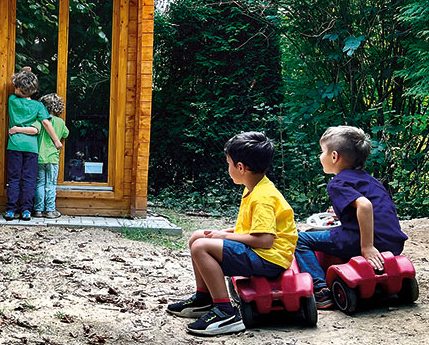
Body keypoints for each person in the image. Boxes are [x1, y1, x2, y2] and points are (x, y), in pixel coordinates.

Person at [166, 132, 297, 336]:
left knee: (202, 246)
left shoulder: (263, 197)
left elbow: (265, 239)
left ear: (241, 167)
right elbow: (255, 229)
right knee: (197, 237)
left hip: (270, 258)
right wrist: (223, 233)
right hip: (261, 252)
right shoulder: (254, 188)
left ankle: (226, 312)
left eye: (228, 163)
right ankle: (204, 298)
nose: (228, 169)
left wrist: (224, 236)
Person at [294, 126, 408, 308]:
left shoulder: (337, 183)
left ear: (334, 156)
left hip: (364, 242)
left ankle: (320, 289)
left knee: (299, 240)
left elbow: (365, 205)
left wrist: (367, 246)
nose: (319, 156)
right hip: (393, 242)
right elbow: (372, 205)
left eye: (322, 151)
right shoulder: (370, 181)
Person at [5, 67, 62, 222]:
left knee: (14, 178)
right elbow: (46, 124)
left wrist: (24, 72)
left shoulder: (12, 100)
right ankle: (26, 211)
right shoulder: (38, 106)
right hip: (32, 148)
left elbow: (18, 83)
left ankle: (11, 210)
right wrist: (56, 140)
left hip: (14, 146)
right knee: (29, 179)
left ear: (18, 87)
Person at [32, 93, 69, 219]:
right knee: (51, 184)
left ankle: (37, 210)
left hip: (39, 157)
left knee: (40, 184)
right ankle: (50, 210)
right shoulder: (60, 122)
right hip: (53, 158)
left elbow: (34, 130)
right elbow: (66, 134)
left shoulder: (40, 121)